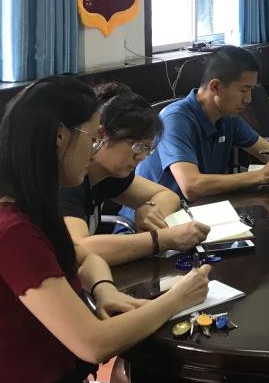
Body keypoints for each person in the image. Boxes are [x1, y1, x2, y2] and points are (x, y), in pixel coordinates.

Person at [0, 76, 210, 383]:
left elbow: (85, 257)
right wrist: (177, 298)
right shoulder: (11, 231)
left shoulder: (28, 204)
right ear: (61, 136)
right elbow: (93, 343)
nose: (93, 152)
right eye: (92, 139)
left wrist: (104, 290)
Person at [61, 82, 209, 266]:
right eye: (137, 146)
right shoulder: (69, 179)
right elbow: (80, 249)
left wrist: (149, 211)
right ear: (101, 134)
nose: (141, 157)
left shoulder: (109, 174)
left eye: (147, 149)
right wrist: (162, 239)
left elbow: (168, 196)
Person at [134, 46, 269, 201]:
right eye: (243, 90)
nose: (248, 99)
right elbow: (191, 186)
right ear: (215, 87)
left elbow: (266, 151)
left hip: (201, 208)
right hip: (155, 215)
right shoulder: (175, 119)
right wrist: (262, 175)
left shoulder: (227, 116)